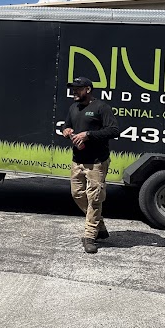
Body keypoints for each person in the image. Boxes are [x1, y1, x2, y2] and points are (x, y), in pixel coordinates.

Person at [62, 76, 119, 254]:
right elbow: (67, 125)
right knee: (77, 194)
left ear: (88, 89)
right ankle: (99, 225)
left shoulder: (101, 107)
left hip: (96, 162)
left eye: (77, 89)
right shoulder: (73, 107)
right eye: (73, 88)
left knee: (94, 199)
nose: (74, 92)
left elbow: (114, 130)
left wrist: (88, 135)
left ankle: (89, 237)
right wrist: (66, 130)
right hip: (77, 160)